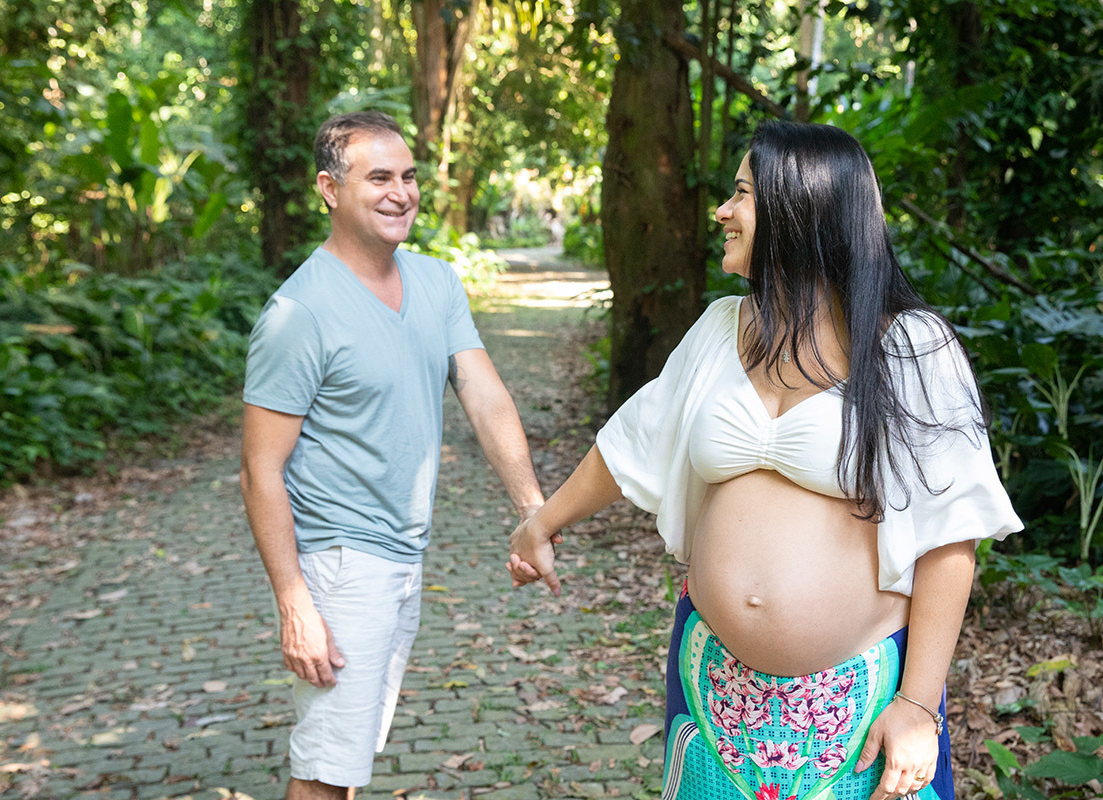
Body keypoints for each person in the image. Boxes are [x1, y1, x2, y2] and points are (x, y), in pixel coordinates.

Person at [508, 120, 1022, 800]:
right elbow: (633, 441)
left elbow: (950, 537)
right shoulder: (721, 331)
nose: (722, 210)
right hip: (712, 678)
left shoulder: (910, 348)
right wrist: (543, 522)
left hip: (861, 698)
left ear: (799, 208)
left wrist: (918, 706)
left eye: (742, 193)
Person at [241, 110, 544, 800]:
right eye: (378, 177)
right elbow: (259, 470)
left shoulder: (436, 283)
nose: (400, 192)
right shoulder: (300, 313)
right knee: (322, 774)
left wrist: (533, 509)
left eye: (408, 177)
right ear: (329, 188)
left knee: (347, 763)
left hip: (404, 558)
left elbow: (486, 397)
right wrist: (296, 604)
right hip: (341, 566)